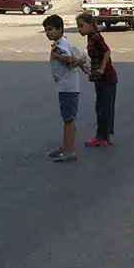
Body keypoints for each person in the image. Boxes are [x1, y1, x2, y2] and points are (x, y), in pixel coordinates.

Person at [43, 14, 84, 164]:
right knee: (67, 118)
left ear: (60, 29)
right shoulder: (60, 43)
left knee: (68, 120)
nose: (48, 33)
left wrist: (56, 55)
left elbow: (69, 59)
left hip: (68, 87)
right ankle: (66, 146)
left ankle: (69, 151)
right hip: (66, 86)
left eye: (50, 29)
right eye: (46, 30)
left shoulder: (61, 46)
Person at [76, 12, 119, 147]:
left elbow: (107, 52)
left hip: (106, 77)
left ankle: (101, 137)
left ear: (90, 25)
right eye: (78, 26)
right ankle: (105, 136)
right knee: (103, 107)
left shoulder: (95, 37)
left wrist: (101, 68)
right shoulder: (91, 37)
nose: (79, 29)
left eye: (82, 25)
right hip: (101, 78)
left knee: (103, 108)